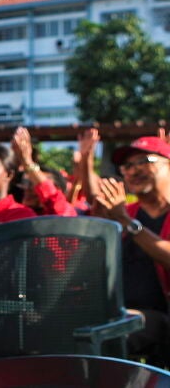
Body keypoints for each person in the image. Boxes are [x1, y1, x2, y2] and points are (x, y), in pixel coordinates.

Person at [92, 136, 170, 367]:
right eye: (127, 166)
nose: (134, 170)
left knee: (110, 333)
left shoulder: (124, 216)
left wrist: (127, 222)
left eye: (143, 161)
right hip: (116, 311)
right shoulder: (122, 212)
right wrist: (97, 225)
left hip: (158, 317)